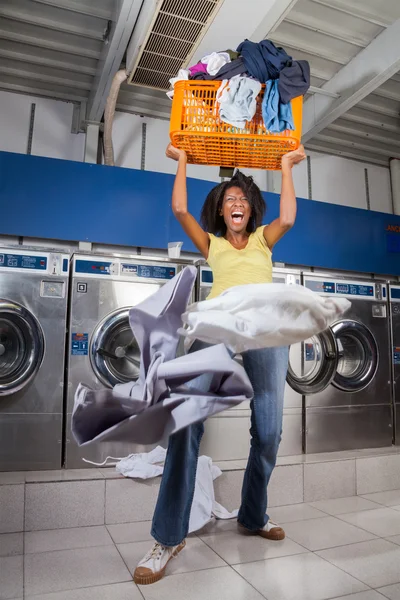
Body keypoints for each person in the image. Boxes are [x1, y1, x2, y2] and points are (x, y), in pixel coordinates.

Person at [134, 143, 306, 585]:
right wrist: (183, 160)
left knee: (269, 432)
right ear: (220, 209)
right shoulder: (211, 244)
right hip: (218, 326)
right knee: (186, 418)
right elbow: (178, 208)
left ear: (251, 211)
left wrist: (285, 166)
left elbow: (288, 217)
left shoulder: (265, 239)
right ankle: (169, 537)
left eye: (243, 199)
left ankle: (253, 514)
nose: (237, 203)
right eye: (230, 199)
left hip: (264, 330)